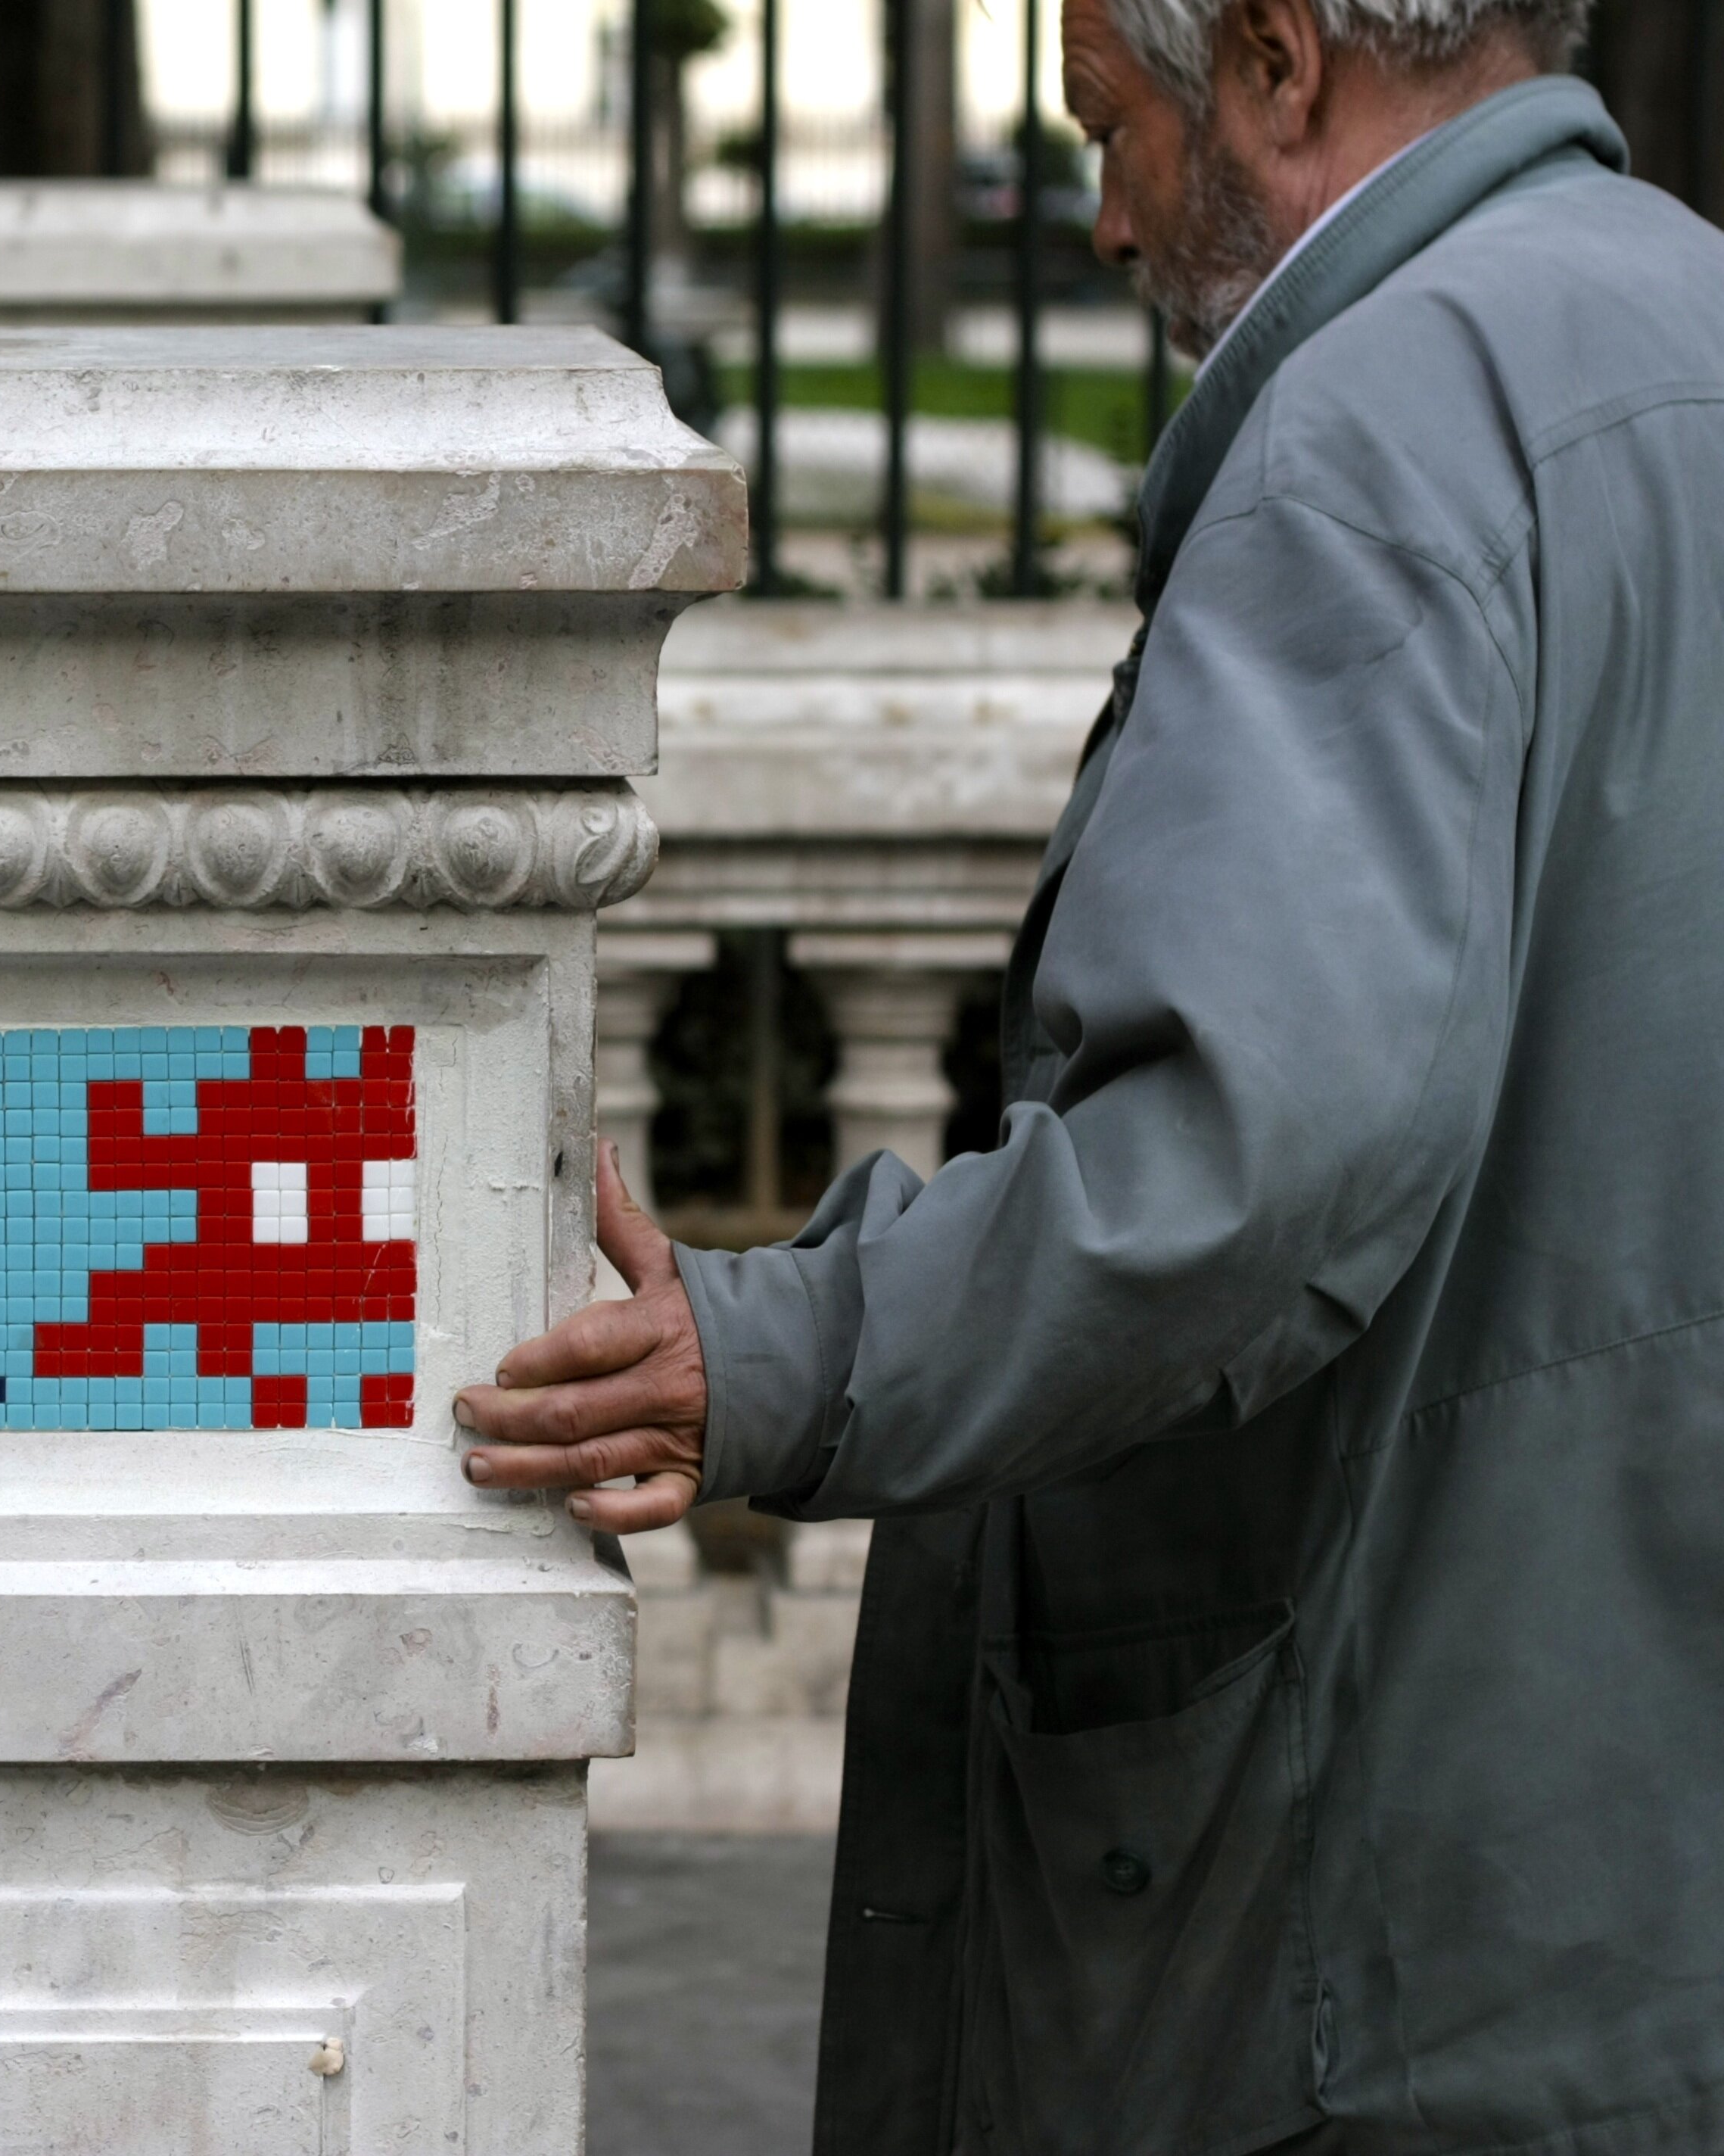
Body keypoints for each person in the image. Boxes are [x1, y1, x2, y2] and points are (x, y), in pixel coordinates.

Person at [453, 0, 1724, 2148]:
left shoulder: (1383, 422)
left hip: (1388, 1935)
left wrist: (773, 1348)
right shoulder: (1686, 312)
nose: (1108, 220)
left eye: (1110, 127)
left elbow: (1241, 1173)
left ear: (1280, 54)